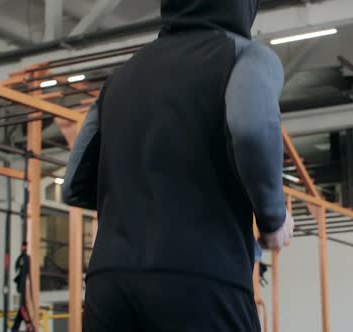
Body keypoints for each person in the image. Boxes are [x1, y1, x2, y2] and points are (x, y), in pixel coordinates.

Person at [62, 0, 294, 330]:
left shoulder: (121, 77)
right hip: (201, 278)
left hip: (109, 283)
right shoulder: (246, 56)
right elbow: (252, 130)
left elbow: (73, 185)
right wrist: (273, 218)